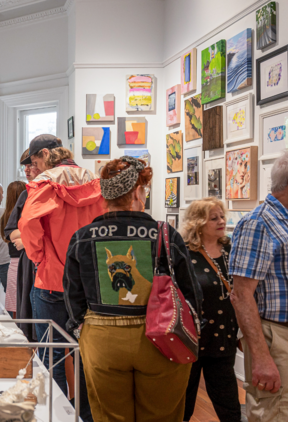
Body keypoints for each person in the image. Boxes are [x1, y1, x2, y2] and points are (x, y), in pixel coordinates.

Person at [63, 156, 202, 422]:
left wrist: (81, 328)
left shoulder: (82, 236)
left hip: (101, 338)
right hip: (160, 337)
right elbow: (190, 291)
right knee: (162, 415)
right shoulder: (164, 233)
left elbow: (72, 292)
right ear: (138, 191)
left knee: (108, 415)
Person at [18, 135, 101, 421]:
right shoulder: (94, 179)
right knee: (87, 358)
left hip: (53, 279)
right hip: (91, 284)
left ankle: (57, 416)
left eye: (34, 161)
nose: (34, 167)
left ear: (44, 155)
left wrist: (41, 257)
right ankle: (86, 417)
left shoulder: (45, 183)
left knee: (51, 356)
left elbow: (28, 224)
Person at [229, 147, 288, 422]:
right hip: (280, 340)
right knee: (279, 415)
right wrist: (260, 357)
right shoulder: (259, 223)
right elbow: (242, 295)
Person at [180, 198, 241, 422]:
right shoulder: (184, 254)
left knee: (229, 405)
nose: (221, 221)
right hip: (191, 338)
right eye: (213, 218)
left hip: (224, 337)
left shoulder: (230, 250)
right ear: (198, 222)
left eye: (222, 216)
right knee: (183, 404)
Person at [4, 149, 43, 340]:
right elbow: (10, 231)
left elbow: (46, 232)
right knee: (29, 323)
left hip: (46, 268)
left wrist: (25, 239)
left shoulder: (48, 193)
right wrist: (27, 237)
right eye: (25, 166)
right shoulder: (26, 195)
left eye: (31, 164)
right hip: (30, 266)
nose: (27, 170)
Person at [0, 181, 26, 318]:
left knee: (14, 305)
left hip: (13, 262)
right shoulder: (23, 215)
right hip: (23, 260)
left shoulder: (6, 215)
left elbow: (7, 236)